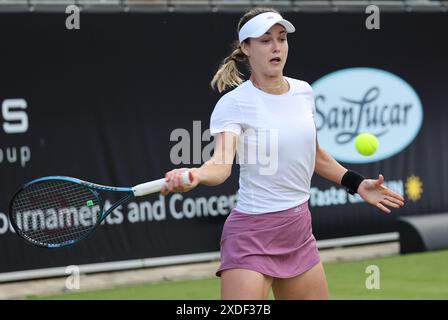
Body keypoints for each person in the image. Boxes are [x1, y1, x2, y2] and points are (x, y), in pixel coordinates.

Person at [160, 7, 405, 300]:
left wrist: (356, 183)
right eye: (265, 40)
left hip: (299, 230)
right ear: (246, 48)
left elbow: (314, 155)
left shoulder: (303, 92)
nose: (277, 47)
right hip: (251, 234)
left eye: (281, 38)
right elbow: (220, 165)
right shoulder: (234, 103)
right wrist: (195, 175)